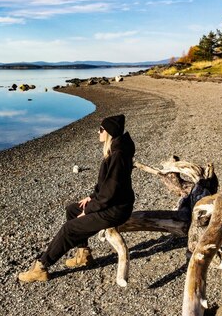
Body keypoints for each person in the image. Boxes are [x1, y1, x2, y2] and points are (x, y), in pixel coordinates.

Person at [18, 114, 135, 283]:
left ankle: (41, 267)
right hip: (114, 203)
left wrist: (89, 210)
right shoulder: (116, 150)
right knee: (73, 209)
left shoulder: (118, 155)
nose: (98, 132)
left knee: (69, 228)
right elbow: (108, 186)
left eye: (101, 129)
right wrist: (91, 197)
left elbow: (110, 193)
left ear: (109, 132)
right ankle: (84, 254)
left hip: (116, 210)